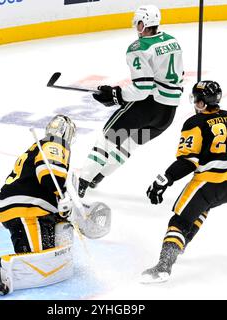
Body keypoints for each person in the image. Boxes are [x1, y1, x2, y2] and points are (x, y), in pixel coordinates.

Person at [141, 80, 227, 283]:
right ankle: (180, 245)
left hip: (213, 179)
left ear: (203, 103)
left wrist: (165, 179)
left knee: (179, 220)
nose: (195, 104)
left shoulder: (194, 123)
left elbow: (189, 161)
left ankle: (164, 267)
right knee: (200, 207)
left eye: (198, 101)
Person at [77, 4, 184, 198]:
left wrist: (116, 95)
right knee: (128, 145)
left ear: (144, 24)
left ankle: (82, 181)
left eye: (139, 23)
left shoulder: (139, 48)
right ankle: (98, 177)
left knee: (108, 139)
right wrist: (118, 93)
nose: (137, 27)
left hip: (148, 107)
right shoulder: (172, 41)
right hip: (167, 115)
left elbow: (142, 89)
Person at [0, 115, 77, 295]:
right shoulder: (55, 142)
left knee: (51, 248)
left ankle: (15, 263)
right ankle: (1, 274)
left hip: (22, 205)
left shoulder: (40, 146)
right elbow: (49, 174)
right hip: (27, 207)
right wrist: (62, 196)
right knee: (41, 262)